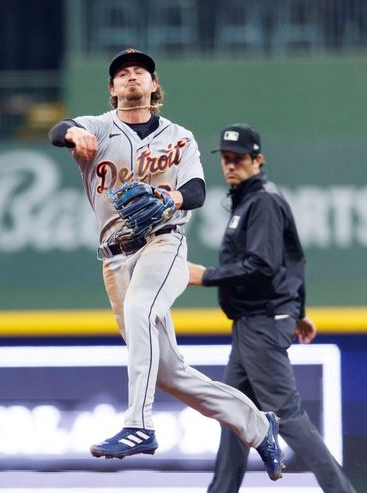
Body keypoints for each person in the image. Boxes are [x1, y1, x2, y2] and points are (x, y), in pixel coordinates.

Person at [47, 49, 283, 481]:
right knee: (170, 373)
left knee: (141, 310)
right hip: (115, 260)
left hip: (164, 244)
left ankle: (138, 425)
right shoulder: (98, 128)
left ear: (154, 85)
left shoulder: (180, 137)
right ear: (113, 89)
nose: (131, 76)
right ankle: (259, 425)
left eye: (139, 71)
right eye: (122, 73)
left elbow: (195, 189)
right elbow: (60, 129)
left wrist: (166, 198)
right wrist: (71, 135)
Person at [187, 123, 356, 492]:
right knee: (234, 417)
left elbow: (263, 265)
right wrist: (297, 310)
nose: (231, 165)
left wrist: (206, 276)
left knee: (288, 417)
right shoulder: (251, 199)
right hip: (255, 322)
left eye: (239, 159)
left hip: (261, 324)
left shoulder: (262, 201)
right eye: (226, 159)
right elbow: (293, 257)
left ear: (257, 160)